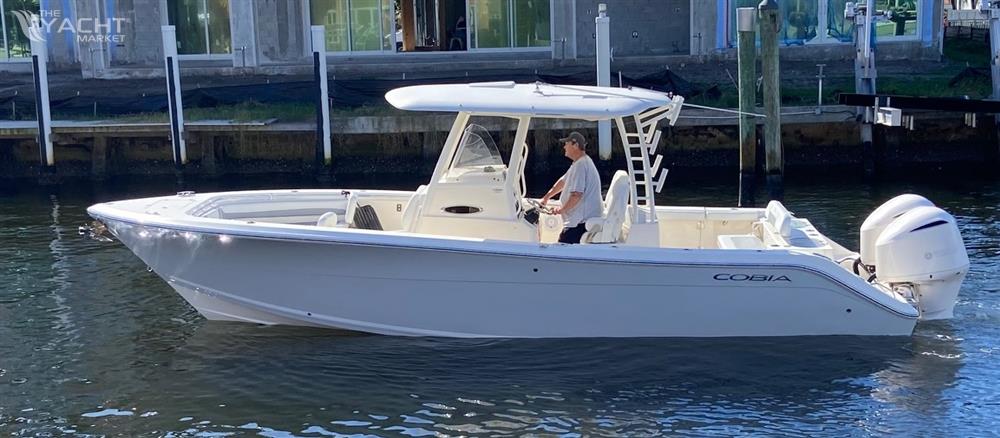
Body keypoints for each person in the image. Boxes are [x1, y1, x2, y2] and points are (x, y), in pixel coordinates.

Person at [540, 131, 603, 244]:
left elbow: (576, 195)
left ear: (575, 145)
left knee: (561, 246)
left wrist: (561, 210)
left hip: (580, 223)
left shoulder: (581, 166)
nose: (564, 147)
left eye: (566, 143)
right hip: (577, 220)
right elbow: (563, 182)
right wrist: (546, 197)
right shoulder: (578, 163)